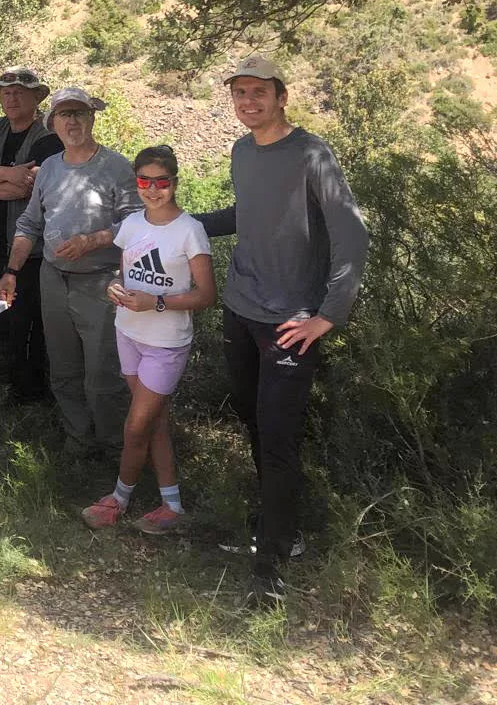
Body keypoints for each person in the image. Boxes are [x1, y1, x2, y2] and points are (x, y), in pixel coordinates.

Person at [196, 55, 369, 608]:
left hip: (290, 325)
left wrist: (327, 315)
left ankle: (270, 569)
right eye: (240, 92)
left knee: (278, 438)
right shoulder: (242, 151)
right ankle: (278, 526)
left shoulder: (312, 154)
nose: (248, 102)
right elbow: (245, 215)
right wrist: (178, 221)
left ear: (281, 97)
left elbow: (353, 237)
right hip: (241, 309)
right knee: (253, 423)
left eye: (259, 92)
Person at [0, 87, 140, 456]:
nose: (72, 121)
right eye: (64, 114)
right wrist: (11, 270)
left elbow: (138, 225)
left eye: (79, 113)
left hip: (102, 281)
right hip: (54, 278)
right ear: (53, 124)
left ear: (92, 118)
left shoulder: (116, 167)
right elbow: (30, 223)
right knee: (63, 367)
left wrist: (93, 240)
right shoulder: (49, 168)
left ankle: (114, 446)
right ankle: (79, 440)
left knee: (103, 372)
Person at [80, 145, 215, 532]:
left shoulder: (190, 230)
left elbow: (206, 295)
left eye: (161, 182)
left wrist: (155, 302)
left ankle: (118, 499)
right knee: (154, 422)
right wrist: (115, 287)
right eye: (144, 181)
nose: (153, 190)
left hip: (166, 344)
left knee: (136, 426)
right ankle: (172, 504)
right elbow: (126, 276)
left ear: (174, 183)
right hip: (128, 333)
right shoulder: (131, 225)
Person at [0, 65, 62, 401]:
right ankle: (12, 379)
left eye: (19, 92)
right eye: (6, 93)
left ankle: (32, 390)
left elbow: (26, 190)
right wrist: (7, 174)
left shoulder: (47, 137)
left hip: (28, 245)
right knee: (3, 313)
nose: (11, 98)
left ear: (37, 97)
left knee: (27, 317)